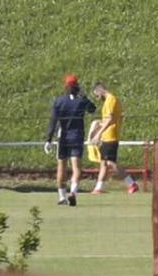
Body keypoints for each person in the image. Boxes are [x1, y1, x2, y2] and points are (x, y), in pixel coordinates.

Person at [44, 74, 96, 207]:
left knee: (61, 166)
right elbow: (92, 109)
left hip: (63, 136)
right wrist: (84, 97)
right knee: (76, 167)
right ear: (77, 86)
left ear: (66, 86)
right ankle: (73, 192)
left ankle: (61, 196)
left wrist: (49, 139)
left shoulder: (59, 101)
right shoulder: (81, 101)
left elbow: (53, 121)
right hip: (77, 136)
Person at [89, 82, 139, 194]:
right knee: (103, 163)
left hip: (111, 136)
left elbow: (110, 119)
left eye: (97, 95)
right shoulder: (108, 101)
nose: (97, 98)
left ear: (100, 91)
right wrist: (99, 125)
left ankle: (131, 183)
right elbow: (108, 119)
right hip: (106, 136)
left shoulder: (111, 99)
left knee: (111, 162)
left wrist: (98, 133)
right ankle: (98, 188)